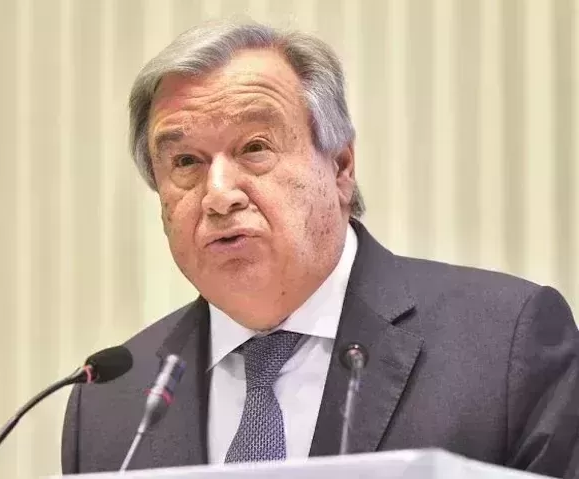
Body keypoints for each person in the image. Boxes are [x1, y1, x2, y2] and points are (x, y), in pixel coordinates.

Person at [61, 19, 579, 478]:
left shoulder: (505, 345)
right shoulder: (109, 403)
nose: (218, 195)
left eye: (255, 148)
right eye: (186, 163)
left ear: (341, 167)